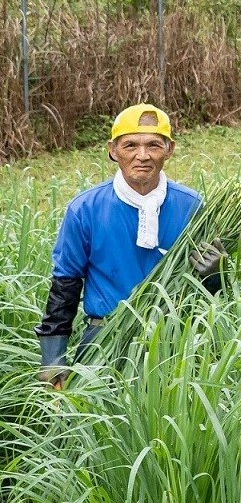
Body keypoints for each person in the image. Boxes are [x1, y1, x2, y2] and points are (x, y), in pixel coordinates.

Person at [34, 104, 207, 387]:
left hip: (175, 340)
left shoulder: (192, 207)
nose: (143, 155)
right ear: (113, 150)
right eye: (130, 145)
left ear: (169, 149)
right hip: (104, 341)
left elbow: (209, 292)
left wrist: (214, 273)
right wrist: (53, 358)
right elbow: (65, 285)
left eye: (153, 145)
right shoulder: (86, 209)